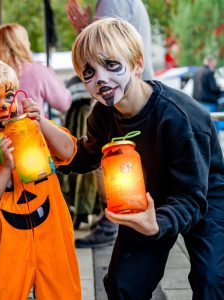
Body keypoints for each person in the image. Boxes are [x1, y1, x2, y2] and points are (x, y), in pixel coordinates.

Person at [64, 17, 224, 299]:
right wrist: (50, 155)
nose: (100, 77)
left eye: (111, 65)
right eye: (88, 72)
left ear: (138, 64)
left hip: (203, 196)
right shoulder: (103, 114)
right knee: (123, 282)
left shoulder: (179, 117)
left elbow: (191, 196)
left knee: (211, 279)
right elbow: (87, 154)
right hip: (147, 199)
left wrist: (158, 224)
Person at [0, 56, 81, 300]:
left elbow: (68, 151)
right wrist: (5, 168)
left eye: (9, 96)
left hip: (52, 241)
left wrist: (41, 122)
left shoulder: (33, 131)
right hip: (9, 251)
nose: (4, 106)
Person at [65, 0, 154, 248]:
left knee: (113, 159)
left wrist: (84, 29)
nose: (99, 77)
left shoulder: (111, 2)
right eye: (88, 73)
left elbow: (103, 49)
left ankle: (112, 220)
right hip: (129, 97)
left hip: (126, 101)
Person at [0, 23, 71, 116]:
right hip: (32, 128)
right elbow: (64, 104)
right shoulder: (39, 70)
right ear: (23, 44)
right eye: (27, 40)